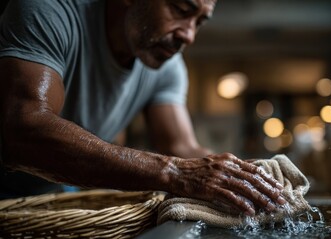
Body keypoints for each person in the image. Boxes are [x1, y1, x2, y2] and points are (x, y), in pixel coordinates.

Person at [0, 0, 286, 215]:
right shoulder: (50, 11)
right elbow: (23, 130)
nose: (189, 36)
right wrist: (176, 173)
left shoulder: (168, 66)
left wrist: (248, 177)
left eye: (199, 22)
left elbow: (182, 148)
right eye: (181, 9)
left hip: (49, 203)